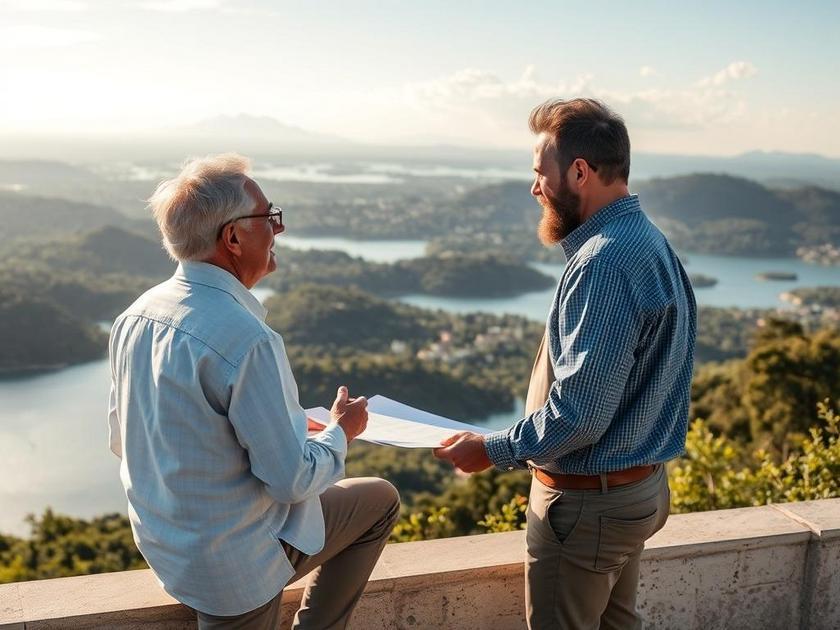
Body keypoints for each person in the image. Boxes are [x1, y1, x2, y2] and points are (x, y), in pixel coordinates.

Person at [434, 99, 697, 629]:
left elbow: (580, 415)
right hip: (635, 489)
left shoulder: (603, 261)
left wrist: (491, 449)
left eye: (539, 173)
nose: (534, 189)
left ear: (579, 172)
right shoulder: (647, 240)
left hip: (590, 506)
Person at [108, 153, 400, 629]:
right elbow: (291, 481)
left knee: (373, 498)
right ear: (234, 237)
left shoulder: (136, 316)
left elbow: (125, 440)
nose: (277, 230)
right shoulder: (247, 339)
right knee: (380, 502)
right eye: (269, 218)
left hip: (165, 547)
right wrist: (342, 431)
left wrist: (282, 426)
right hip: (230, 567)